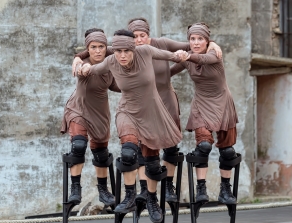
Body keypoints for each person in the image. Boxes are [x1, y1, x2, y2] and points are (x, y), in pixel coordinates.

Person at [72, 18, 223, 206]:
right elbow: (100, 50)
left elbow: (189, 48)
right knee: (134, 151)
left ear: (148, 35)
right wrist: (81, 59)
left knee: (165, 149)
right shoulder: (119, 54)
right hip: (132, 107)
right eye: (134, 36)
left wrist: (211, 44)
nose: (138, 40)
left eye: (142, 35)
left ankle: (165, 188)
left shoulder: (152, 48)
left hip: (161, 102)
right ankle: (137, 193)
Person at [78, 29, 188, 223]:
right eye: (118, 51)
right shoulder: (111, 61)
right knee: (128, 154)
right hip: (127, 112)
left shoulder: (145, 51)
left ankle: (151, 199)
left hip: (151, 113)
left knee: (152, 165)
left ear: (133, 49)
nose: (122, 55)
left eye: (126, 51)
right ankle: (130, 196)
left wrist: (181, 55)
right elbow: (94, 63)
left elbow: (173, 56)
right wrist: (81, 64)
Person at [170, 23, 238, 204]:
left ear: (207, 41)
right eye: (192, 39)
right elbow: (169, 70)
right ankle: (201, 188)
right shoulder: (188, 58)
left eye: (200, 39)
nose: (196, 42)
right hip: (201, 104)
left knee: (227, 150)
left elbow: (203, 60)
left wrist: (187, 55)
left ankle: (225, 189)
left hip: (223, 103)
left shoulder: (214, 54)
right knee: (204, 147)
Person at [61, 28, 121, 208]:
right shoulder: (82, 64)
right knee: (78, 146)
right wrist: (80, 62)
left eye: (101, 46)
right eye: (93, 47)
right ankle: (75, 188)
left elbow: (116, 83)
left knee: (101, 154)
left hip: (100, 112)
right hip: (78, 109)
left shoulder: (111, 61)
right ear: (88, 48)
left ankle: (103, 190)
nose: (97, 50)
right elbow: (81, 70)